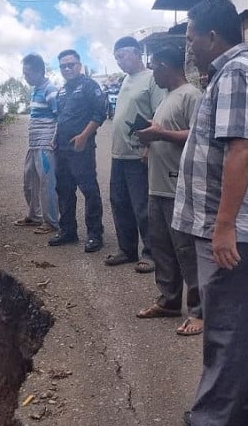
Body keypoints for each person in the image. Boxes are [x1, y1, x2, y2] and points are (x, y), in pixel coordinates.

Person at [162, 0, 248, 426]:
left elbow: (241, 151)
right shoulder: (234, 72)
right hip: (237, 225)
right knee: (240, 321)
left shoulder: (236, 74)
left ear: (213, 36)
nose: (188, 46)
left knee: (226, 326)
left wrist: (224, 227)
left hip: (235, 228)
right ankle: (239, 410)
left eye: (191, 37)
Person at [134, 44, 203, 336]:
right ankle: (169, 300)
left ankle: (200, 310)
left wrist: (160, 133)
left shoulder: (192, 95)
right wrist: (151, 139)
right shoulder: (166, 97)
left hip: (180, 188)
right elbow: (166, 130)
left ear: (166, 65)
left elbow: (199, 136)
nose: (152, 72)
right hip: (158, 186)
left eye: (154, 66)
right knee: (162, 248)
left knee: (187, 250)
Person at [104, 36, 166, 272]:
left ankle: (150, 253)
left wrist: (149, 147)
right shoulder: (126, 80)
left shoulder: (151, 79)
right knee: (119, 202)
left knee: (143, 207)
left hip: (139, 154)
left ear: (137, 52)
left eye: (122, 55)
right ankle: (126, 249)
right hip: (119, 154)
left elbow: (159, 116)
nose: (119, 61)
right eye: (116, 57)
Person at [48, 49, 107, 253]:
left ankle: (94, 234)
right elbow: (62, 118)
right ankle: (68, 231)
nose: (67, 68)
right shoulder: (62, 90)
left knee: (89, 190)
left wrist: (84, 136)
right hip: (62, 149)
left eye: (70, 64)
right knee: (64, 190)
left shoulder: (90, 86)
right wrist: (55, 138)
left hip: (81, 148)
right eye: (63, 65)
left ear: (79, 65)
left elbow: (100, 114)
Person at [14, 53, 60, 235]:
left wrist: (54, 139)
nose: (25, 77)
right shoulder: (36, 89)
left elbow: (59, 117)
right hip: (33, 144)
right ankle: (35, 216)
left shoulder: (51, 90)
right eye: (24, 74)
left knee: (46, 183)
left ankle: (51, 222)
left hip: (45, 145)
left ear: (40, 71)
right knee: (30, 181)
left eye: (28, 74)